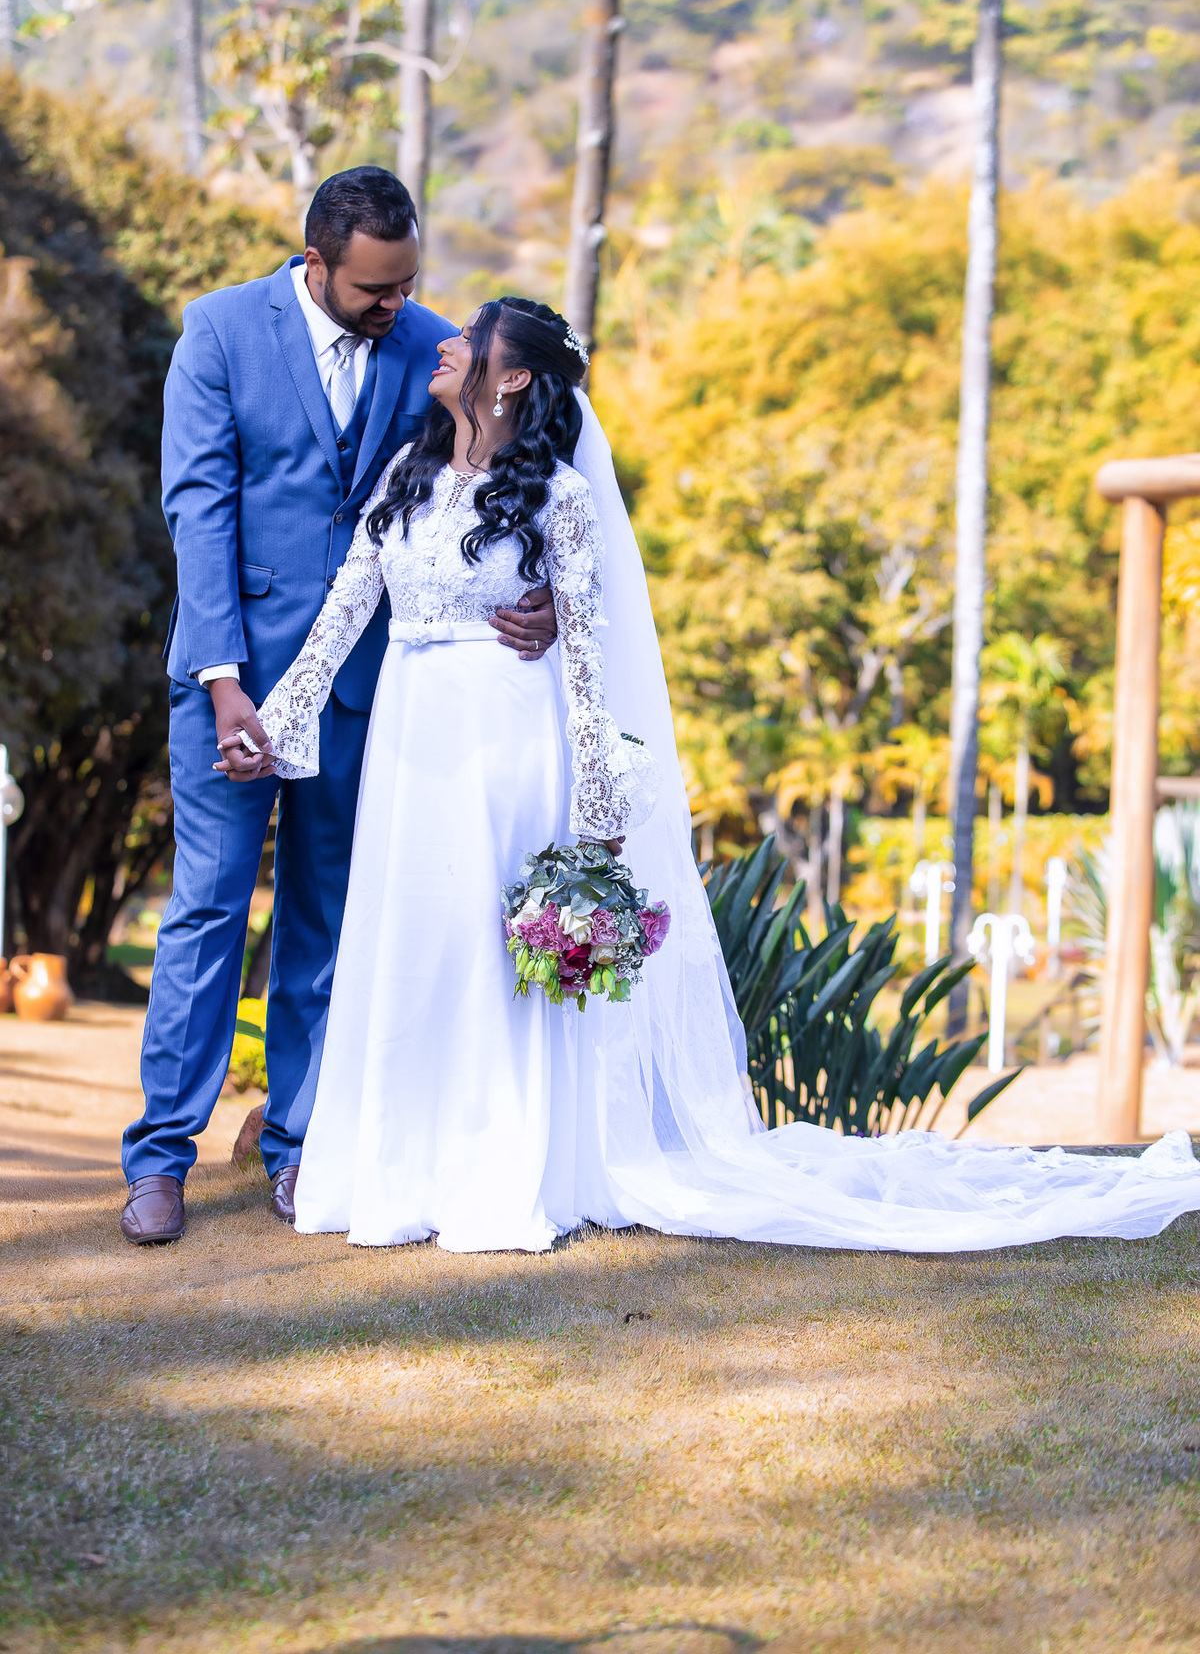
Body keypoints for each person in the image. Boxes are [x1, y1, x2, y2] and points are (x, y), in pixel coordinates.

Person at [259, 295, 1200, 1255]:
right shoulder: (407, 475)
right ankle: (400, 1169)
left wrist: (598, 798)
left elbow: (587, 659)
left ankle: (497, 1170)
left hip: (510, 745)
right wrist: (279, 718)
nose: (448, 343)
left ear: (513, 377)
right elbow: (345, 610)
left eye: (472, 338)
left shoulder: (559, 499)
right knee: (414, 939)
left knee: (489, 952)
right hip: (412, 744)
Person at [119, 171, 557, 1247]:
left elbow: (530, 451)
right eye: (374, 289)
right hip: (233, 681)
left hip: (371, 688)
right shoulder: (218, 333)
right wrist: (223, 679)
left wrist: (548, 586)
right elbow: (198, 510)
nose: (396, 306)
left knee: (325, 918)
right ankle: (160, 1158)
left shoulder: (434, 344)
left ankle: (302, 1148)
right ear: (314, 261)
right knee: (209, 910)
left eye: (407, 283)